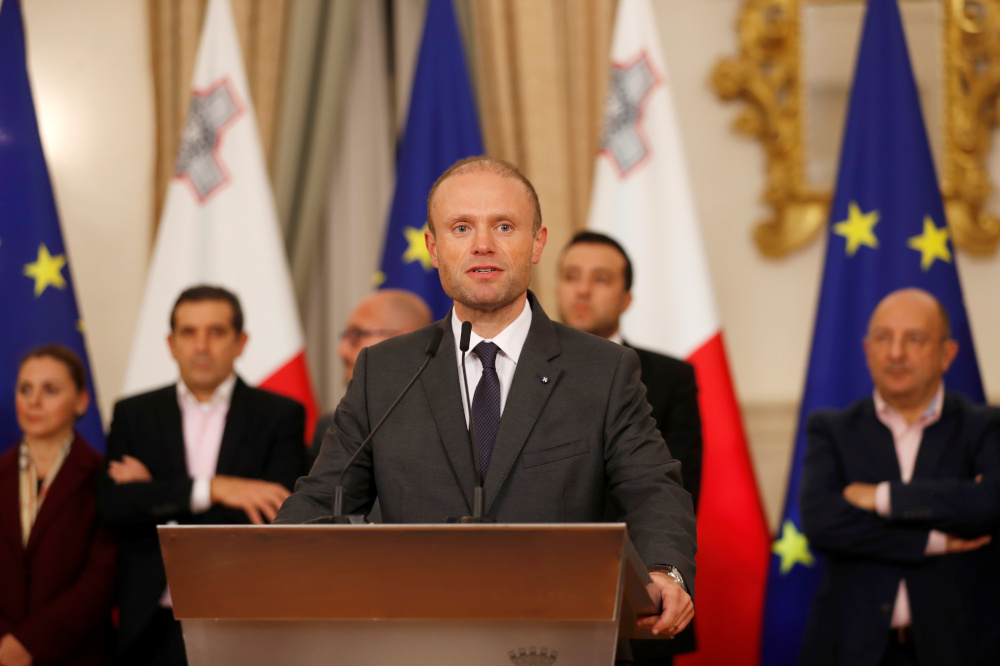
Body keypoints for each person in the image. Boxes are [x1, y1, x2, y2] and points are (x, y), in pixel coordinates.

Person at [277, 156, 697, 642]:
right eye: (461, 228)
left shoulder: (602, 370)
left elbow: (652, 486)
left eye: (503, 225)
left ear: (537, 243)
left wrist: (667, 570)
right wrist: (266, 564)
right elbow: (322, 496)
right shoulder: (384, 371)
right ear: (433, 248)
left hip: (560, 638)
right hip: (415, 641)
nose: (482, 245)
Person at [99, 285, 306, 666]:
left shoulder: (281, 415)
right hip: (149, 622)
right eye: (188, 332)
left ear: (240, 342)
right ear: (171, 343)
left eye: (216, 332)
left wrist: (156, 494)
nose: (201, 345)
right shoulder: (134, 413)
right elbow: (114, 508)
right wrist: (213, 489)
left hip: (242, 612)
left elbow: (276, 512)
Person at [799, 288, 1000, 665]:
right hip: (854, 648)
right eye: (883, 338)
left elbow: (989, 503)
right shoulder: (832, 429)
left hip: (961, 647)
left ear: (947, 353)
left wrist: (881, 499)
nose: (895, 353)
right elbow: (822, 521)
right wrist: (935, 539)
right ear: (867, 348)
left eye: (914, 339)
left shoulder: (985, 427)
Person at [557, 231, 703, 663]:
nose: (582, 290)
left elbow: (677, 487)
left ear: (626, 299)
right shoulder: (515, 372)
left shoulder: (669, 377)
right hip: (539, 591)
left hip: (637, 595)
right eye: (571, 276)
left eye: (600, 279)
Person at [0, 345, 117, 666]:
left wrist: (29, 643)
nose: (33, 401)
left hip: (78, 655)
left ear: (81, 401)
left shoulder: (104, 478)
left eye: (50, 390)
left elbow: (101, 579)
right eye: (25, 389)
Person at [310, 289, 432, 455]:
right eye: (345, 335)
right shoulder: (332, 427)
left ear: (405, 340)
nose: (341, 350)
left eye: (357, 334)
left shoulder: (451, 422)